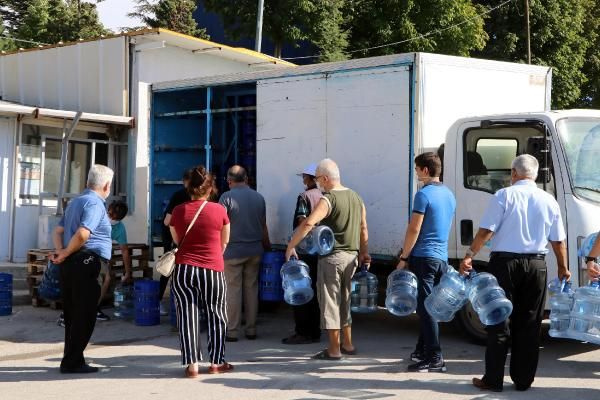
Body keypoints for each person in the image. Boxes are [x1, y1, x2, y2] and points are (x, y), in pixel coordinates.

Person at [459, 154, 570, 392]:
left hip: (505, 264)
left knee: (499, 320)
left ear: (513, 173)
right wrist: (563, 267)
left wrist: (469, 254)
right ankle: (523, 380)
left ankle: (493, 379)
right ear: (536, 175)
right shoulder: (549, 200)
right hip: (536, 266)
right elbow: (558, 240)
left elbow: (486, 231)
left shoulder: (503, 195)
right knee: (530, 323)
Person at [286, 158, 370, 360]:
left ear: (324, 178)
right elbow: (363, 228)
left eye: (318, 180)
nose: (318, 184)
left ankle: (334, 349)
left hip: (332, 258)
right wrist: (364, 252)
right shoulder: (356, 197)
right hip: (352, 257)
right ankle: (348, 344)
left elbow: (308, 224)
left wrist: (291, 246)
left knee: (331, 303)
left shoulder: (328, 199)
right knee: (345, 301)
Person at [169, 165, 232, 377]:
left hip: (184, 269)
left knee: (187, 316)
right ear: (210, 188)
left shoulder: (178, 211)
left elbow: (177, 240)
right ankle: (216, 362)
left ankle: (192, 365)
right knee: (217, 314)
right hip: (212, 269)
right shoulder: (220, 211)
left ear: (189, 188)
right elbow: (225, 242)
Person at [50, 164, 114, 374]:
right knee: (85, 314)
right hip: (87, 261)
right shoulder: (95, 203)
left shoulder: (75, 202)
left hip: (71, 262)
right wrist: (66, 253)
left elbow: (58, 231)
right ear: (106, 185)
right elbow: (83, 234)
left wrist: (61, 252)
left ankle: (72, 358)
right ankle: (72, 362)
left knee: (72, 314)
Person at [396, 152, 456, 372]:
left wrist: (404, 257)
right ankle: (422, 349)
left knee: (426, 308)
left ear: (425, 170)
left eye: (416, 169)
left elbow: (414, 228)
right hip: (441, 258)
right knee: (430, 306)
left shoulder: (423, 194)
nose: (415, 173)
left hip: (424, 257)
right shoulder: (449, 194)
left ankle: (434, 357)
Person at [219, 165, 270, 341]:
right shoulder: (259, 198)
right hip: (255, 250)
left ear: (229, 180)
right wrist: (267, 246)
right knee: (251, 289)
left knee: (233, 290)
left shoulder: (226, 198)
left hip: (233, 251)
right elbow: (263, 226)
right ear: (247, 179)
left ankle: (232, 331)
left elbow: (220, 226)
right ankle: (251, 329)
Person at [282, 163, 322, 345]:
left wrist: (292, 245)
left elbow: (302, 221)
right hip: (320, 250)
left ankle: (303, 332)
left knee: (299, 290)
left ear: (310, 178)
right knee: (314, 291)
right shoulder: (325, 196)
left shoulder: (304, 196)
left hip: (304, 251)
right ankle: (315, 330)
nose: (303, 180)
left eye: (304, 176)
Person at [160, 168, 192, 315]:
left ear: (184, 181)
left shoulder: (178, 195)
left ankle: (161, 302)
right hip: (184, 238)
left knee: (168, 269)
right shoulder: (202, 197)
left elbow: (167, 221)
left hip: (173, 237)